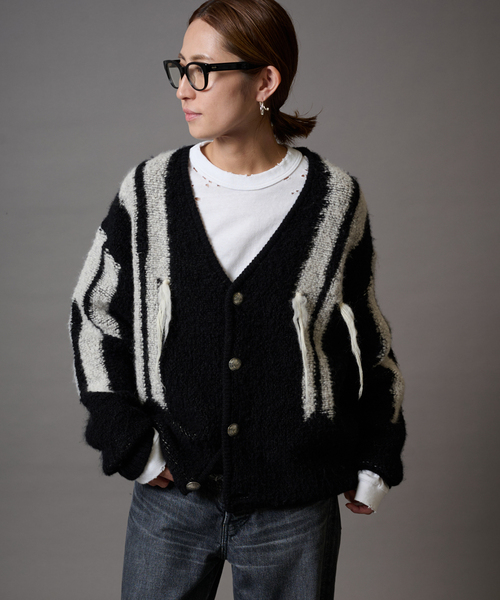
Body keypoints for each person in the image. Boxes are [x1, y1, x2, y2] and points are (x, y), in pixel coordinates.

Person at [70, 0, 406, 598]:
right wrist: (129, 442)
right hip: (171, 501)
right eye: (180, 69)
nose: (184, 88)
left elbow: (366, 341)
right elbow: (94, 316)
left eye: (202, 70)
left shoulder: (334, 200)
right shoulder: (148, 193)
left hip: (295, 510)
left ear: (265, 81)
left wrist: (378, 454)